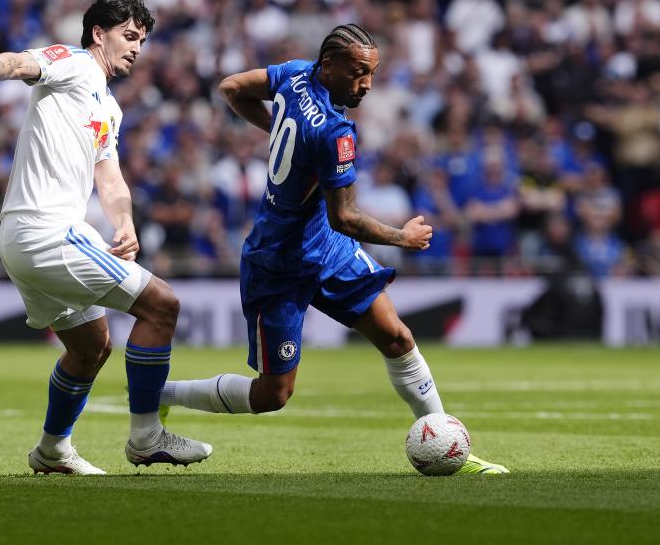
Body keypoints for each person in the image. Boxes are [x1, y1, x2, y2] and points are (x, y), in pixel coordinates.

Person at [159, 24, 509, 474]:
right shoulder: (334, 131)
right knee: (273, 394)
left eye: (372, 73)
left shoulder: (293, 73)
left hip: (326, 247)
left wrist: (275, 128)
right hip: (279, 261)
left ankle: (447, 441)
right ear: (329, 65)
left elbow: (231, 88)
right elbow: (345, 216)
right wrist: (402, 238)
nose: (367, 84)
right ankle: (163, 393)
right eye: (358, 72)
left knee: (397, 337)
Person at [0, 0, 211, 475]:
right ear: (99, 33)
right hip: (47, 231)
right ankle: (147, 436)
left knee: (91, 347)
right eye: (129, 36)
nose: (137, 48)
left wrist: (125, 223)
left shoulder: (109, 108)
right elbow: (24, 62)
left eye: (142, 41)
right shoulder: (74, 63)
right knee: (162, 305)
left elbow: (110, 179)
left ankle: (53, 450)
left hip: (27, 236)